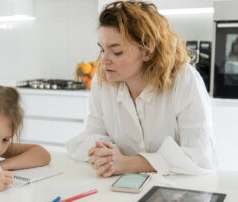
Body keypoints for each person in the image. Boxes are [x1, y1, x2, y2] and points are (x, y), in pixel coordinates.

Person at [66, 1, 217, 177]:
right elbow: (93, 134)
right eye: (102, 50)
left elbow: (200, 156)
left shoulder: (184, 80)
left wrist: (128, 163)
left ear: (147, 52)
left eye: (116, 52)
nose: (104, 60)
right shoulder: (102, 82)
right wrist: (103, 153)